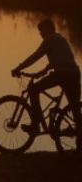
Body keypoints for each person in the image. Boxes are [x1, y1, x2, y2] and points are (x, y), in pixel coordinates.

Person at [11, 19, 82, 149]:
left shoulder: (49, 40)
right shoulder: (61, 39)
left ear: (48, 29)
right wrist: (42, 72)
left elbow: (35, 56)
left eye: (41, 30)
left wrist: (18, 68)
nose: (40, 34)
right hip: (74, 74)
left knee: (33, 89)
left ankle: (36, 124)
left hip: (62, 74)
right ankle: (80, 143)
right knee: (75, 108)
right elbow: (59, 59)